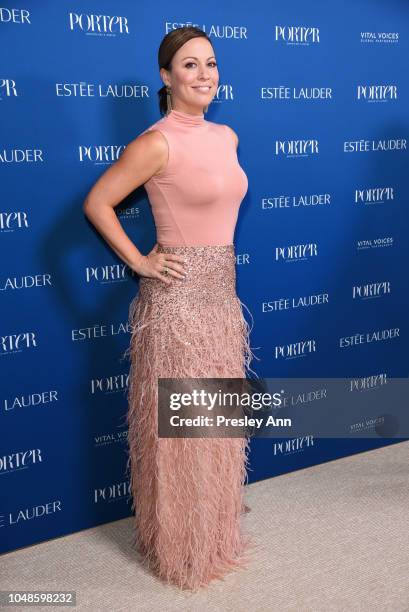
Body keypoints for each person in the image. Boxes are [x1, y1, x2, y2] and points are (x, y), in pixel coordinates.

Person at [83, 25, 258, 591]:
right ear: (166, 77)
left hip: (221, 300)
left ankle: (212, 532)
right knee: (181, 434)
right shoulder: (156, 141)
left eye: (210, 64)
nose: (204, 75)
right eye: (189, 65)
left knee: (215, 424)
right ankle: (183, 548)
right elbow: (98, 201)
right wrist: (140, 260)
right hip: (177, 304)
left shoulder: (227, 135)